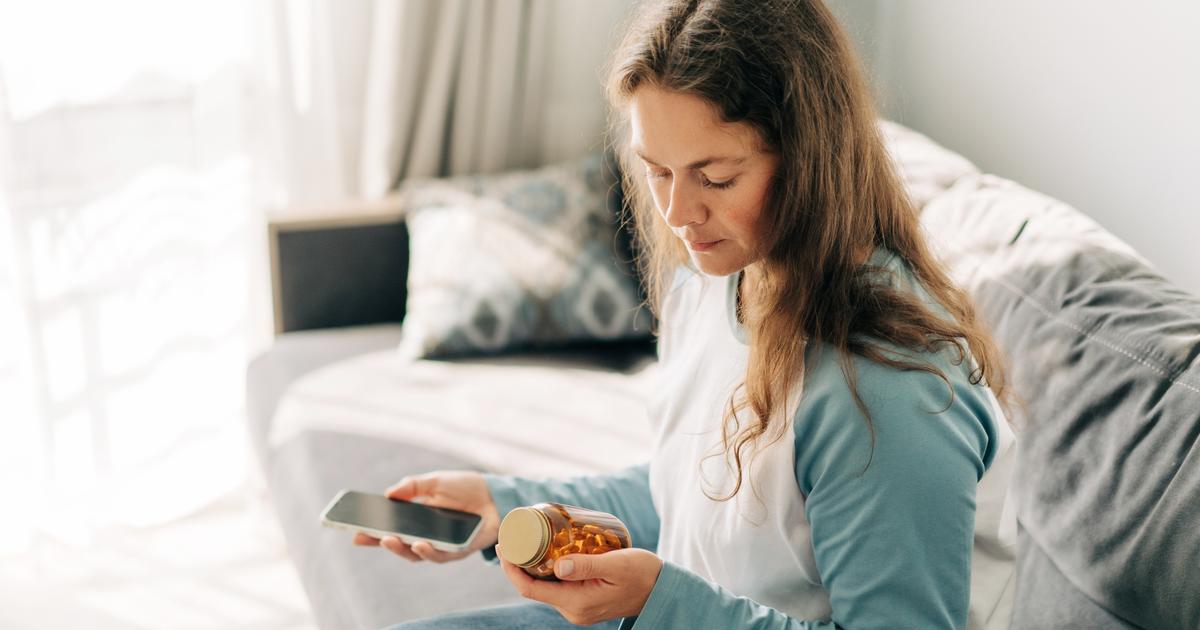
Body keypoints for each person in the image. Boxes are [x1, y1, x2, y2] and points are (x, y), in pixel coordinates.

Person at [356, 0, 1019, 627]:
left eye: (716, 178)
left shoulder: (884, 389)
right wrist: (507, 506)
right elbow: (700, 496)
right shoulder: (718, 277)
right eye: (657, 171)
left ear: (810, 159)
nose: (678, 213)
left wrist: (660, 604)